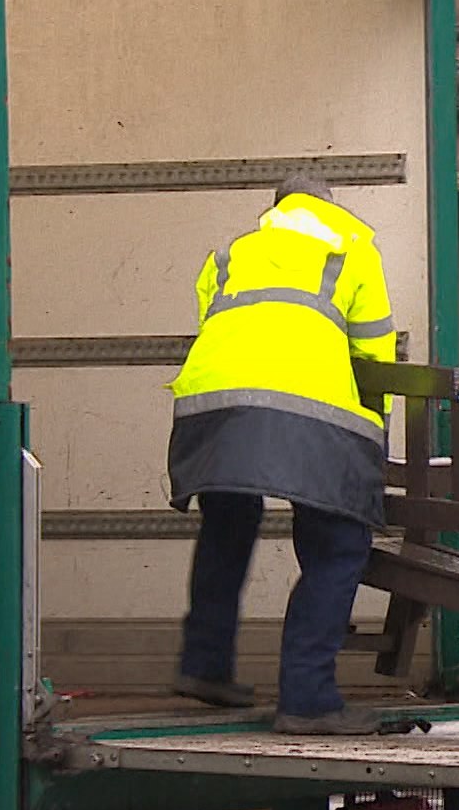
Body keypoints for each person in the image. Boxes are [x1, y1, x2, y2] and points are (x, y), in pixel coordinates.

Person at [166, 175, 398, 735]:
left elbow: (220, 330)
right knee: (338, 545)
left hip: (212, 404)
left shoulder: (228, 256)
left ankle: (204, 666)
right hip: (309, 408)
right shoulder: (351, 250)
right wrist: (370, 444)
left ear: (276, 211)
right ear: (329, 210)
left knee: (228, 523)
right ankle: (308, 697)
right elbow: (373, 355)